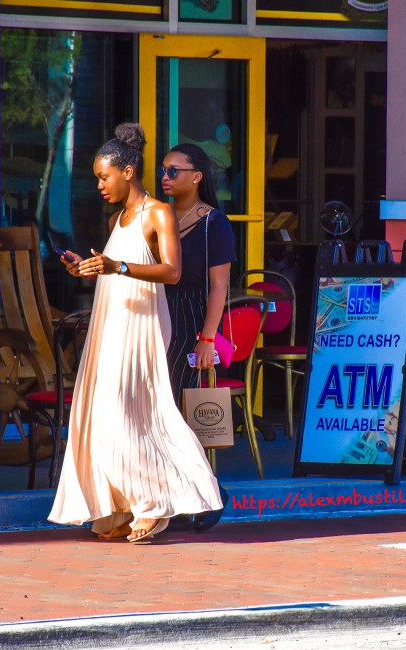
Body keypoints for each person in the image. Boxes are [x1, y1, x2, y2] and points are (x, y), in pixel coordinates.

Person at [48, 124, 223, 543]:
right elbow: (115, 271)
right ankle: (122, 507)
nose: (99, 185)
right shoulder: (116, 219)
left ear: (127, 172)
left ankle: (155, 503)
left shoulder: (158, 212)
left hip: (142, 326)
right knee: (103, 417)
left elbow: (172, 271)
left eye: (103, 176)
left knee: (130, 415)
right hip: (110, 323)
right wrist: (87, 268)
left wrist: (117, 266)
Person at [160, 143, 236, 532]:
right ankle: (174, 496)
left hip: (190, 320)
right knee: (156, 408)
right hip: (158, 316)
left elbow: (219, 285)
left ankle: (211, 491)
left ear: (197, 177)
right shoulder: (159, 216)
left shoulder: (213, 223)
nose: (165, 177)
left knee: (174, 410)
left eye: (174, 171)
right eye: (163, 170)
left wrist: (207, 338)